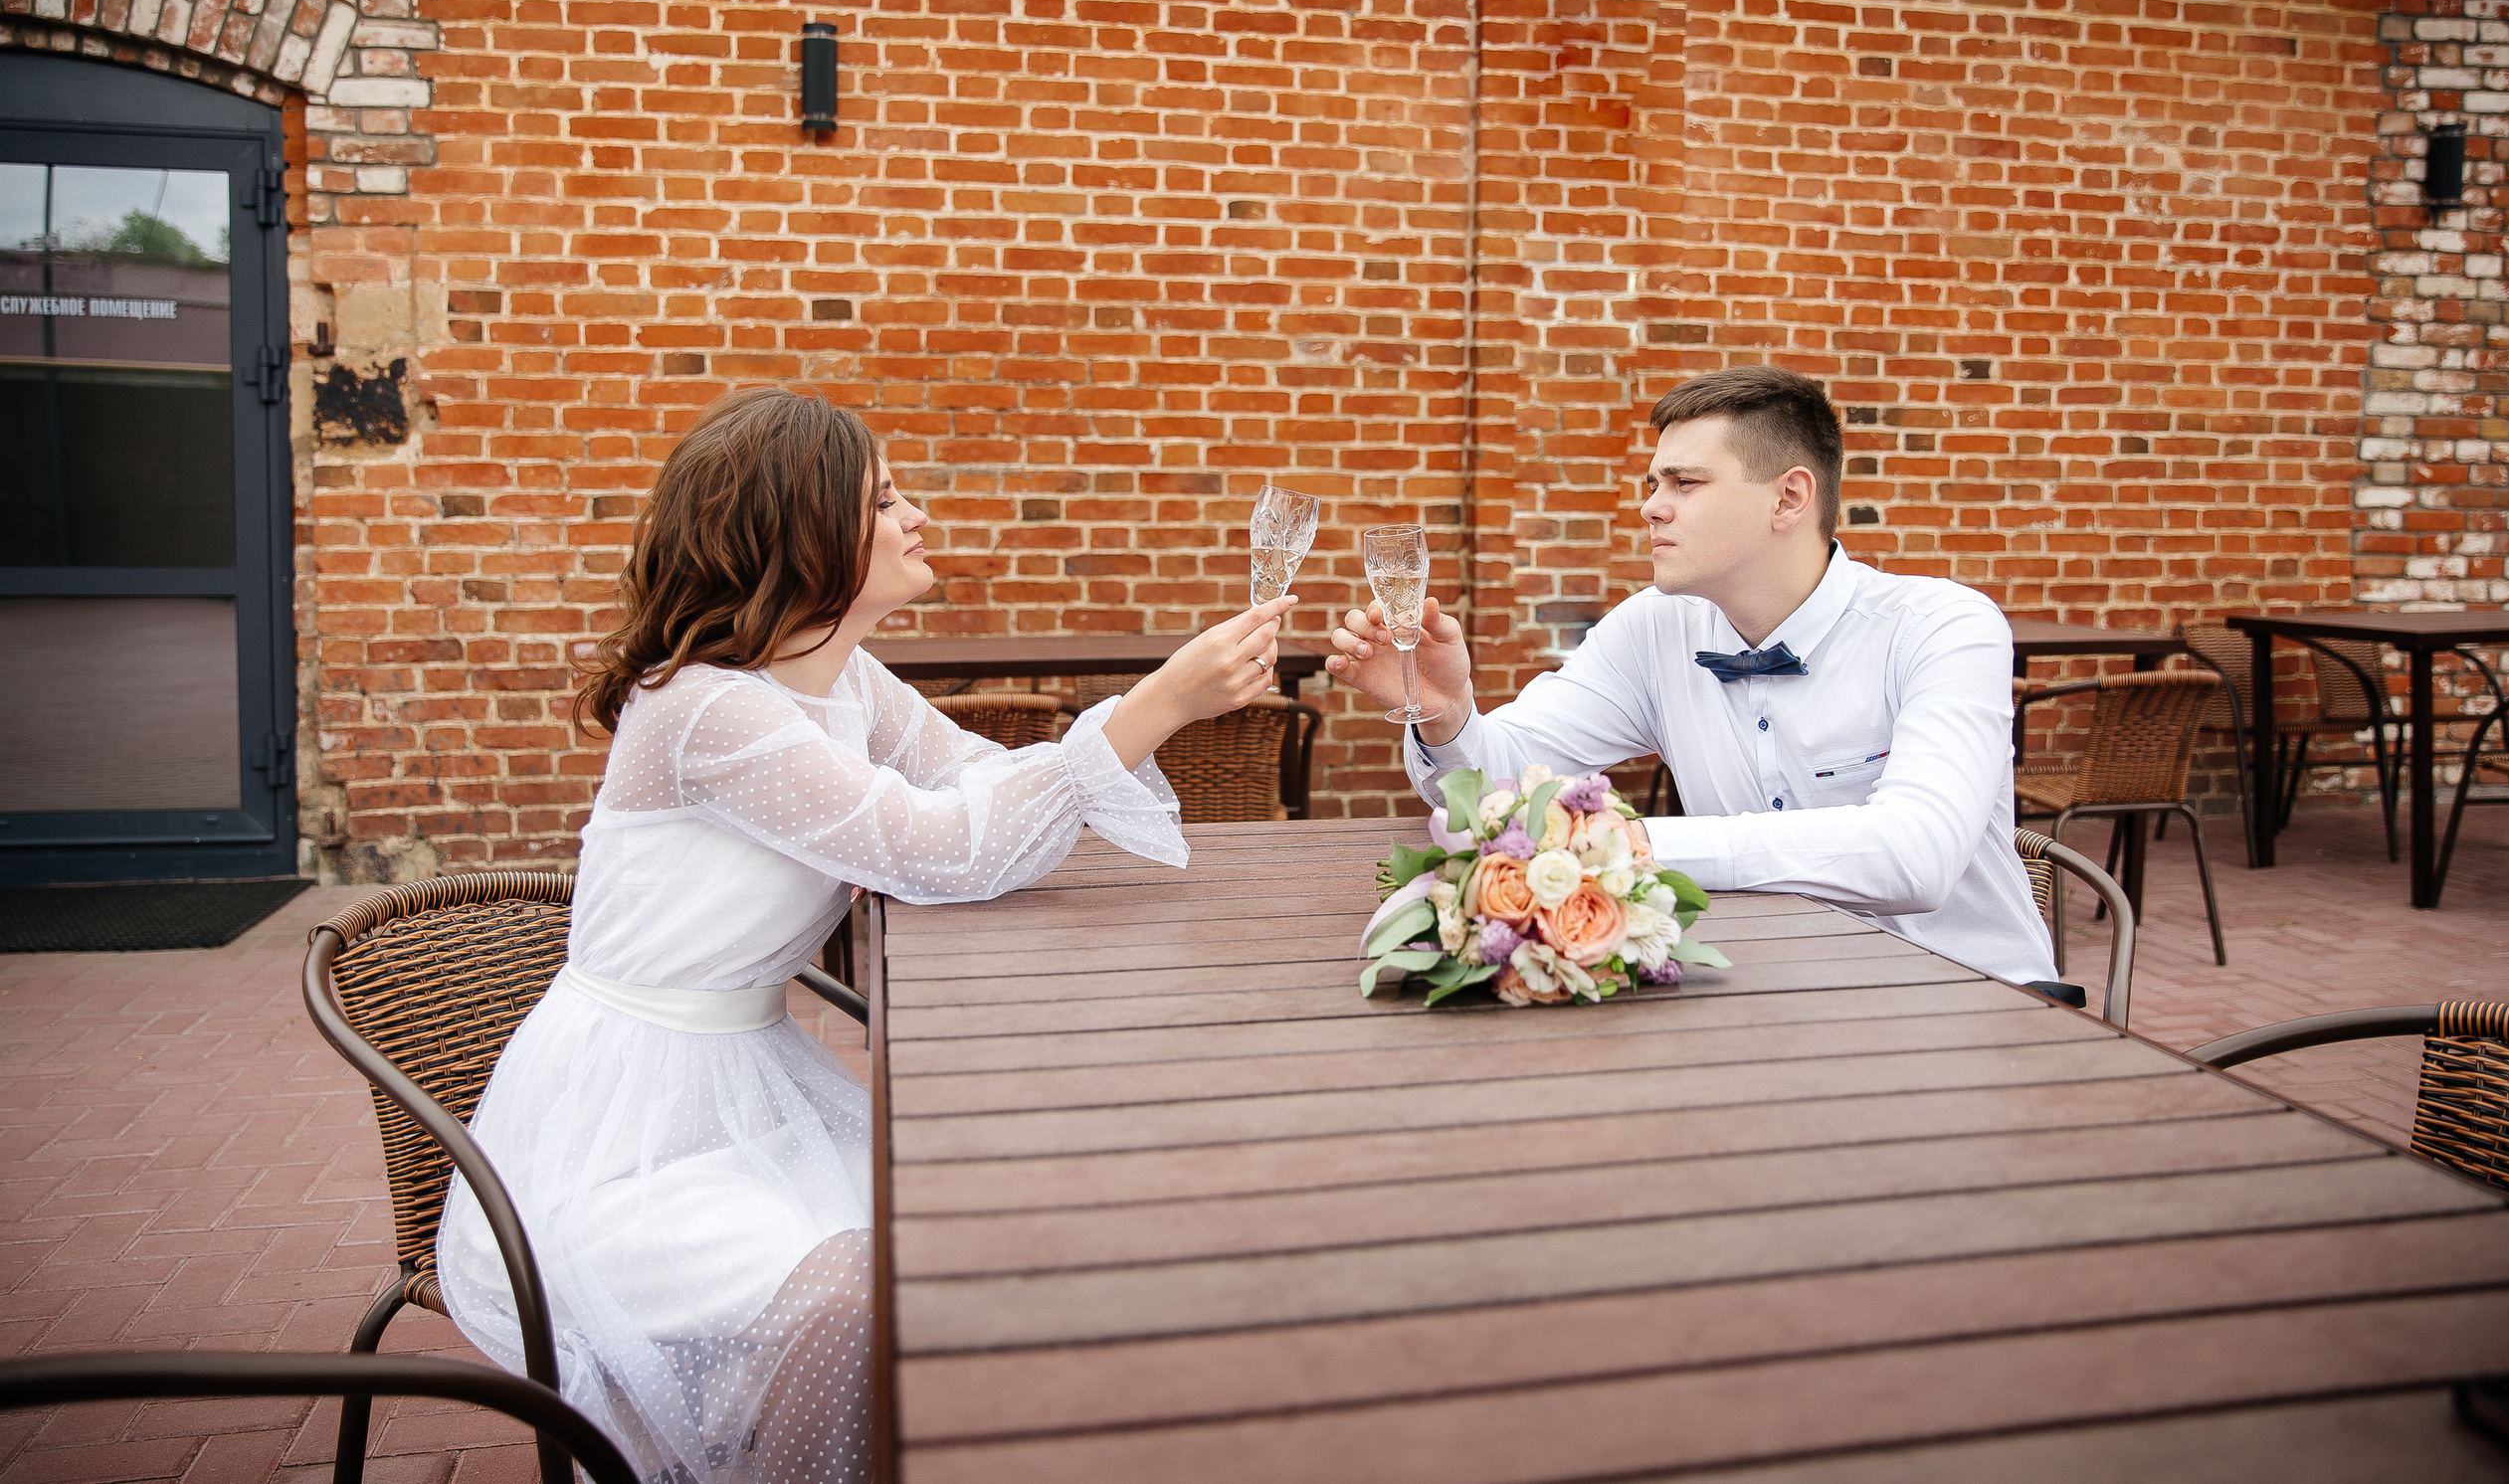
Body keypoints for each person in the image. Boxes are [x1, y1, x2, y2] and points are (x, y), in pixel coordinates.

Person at [436, 388, 1291, 1484]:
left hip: (749, 1086)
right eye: (884, 499)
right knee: (856, 1292)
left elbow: (971, 777)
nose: (916, 515)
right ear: (804, 534)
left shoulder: (843, 677)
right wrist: (1150, 709)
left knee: (983, 1230)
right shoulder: (711, 708)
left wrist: (1108, 740)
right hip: (627, 1129)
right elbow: (935, 848)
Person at [1325, 366, 2057, 989]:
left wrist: (1617, 851)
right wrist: (1449, 714)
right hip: (1775, 994)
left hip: (1977, 996)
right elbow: (1495, 798)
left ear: (1790, 497)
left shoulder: (1943, 626)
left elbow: (1914, 855)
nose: (1650, 504)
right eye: (1653, 481)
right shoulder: (1654, 627)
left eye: (1684, 481)